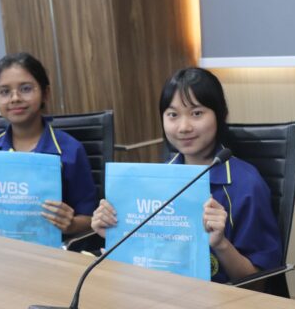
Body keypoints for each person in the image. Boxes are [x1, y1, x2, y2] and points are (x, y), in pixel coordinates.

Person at [91, 67, 282, 284]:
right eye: (173, 115)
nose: (183, 127)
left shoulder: (246, 185)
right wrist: (115, 233)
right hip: (161, 290)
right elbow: (151, 255)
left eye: (196, 113)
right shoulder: (158, 180)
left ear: (220, 114)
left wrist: (221, 244)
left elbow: (259, 283)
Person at [0, 52, 97, 236]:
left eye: (26, 89)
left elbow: (89, 219)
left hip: (50, 250)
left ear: (45, 93)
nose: (15, 98)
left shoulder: (70, 150)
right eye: (5, 92)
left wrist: (72, 225)